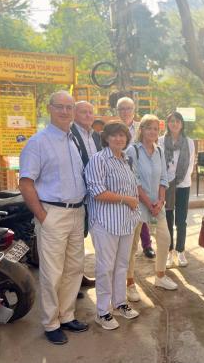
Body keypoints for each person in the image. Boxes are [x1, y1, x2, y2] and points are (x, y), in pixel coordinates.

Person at [19, 91, 88, 345]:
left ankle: (67, 314)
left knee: (74, 268)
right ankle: (50, 323)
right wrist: (43, 216)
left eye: (69, 107)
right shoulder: (38, 142)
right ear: (49, 108)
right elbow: (25, 183)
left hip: (76, 212)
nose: (65, 111)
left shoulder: (74, 140)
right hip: (53, 214)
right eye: (60, 107)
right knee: (52, 272)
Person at [85, 122, 141, 330]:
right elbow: (98, 192)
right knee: (105, 267)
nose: (119, 139)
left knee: (122, 266)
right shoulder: (98, 160)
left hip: (126, 222)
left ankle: (120, 303)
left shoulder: (125, 159)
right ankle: (102, 311)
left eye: (123, 135)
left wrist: (133, 209)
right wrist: (126, 200)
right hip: (106, 222)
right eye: (114, 135)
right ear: (106, 138)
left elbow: (132, 188)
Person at [126, 114, 178, 294]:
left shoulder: (160, 151)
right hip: (138, 205)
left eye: (156, 129)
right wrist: (148, 203)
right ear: (142, 130)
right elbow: (134, 180)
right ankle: (129, 283)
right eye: (149, 128)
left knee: (165, 239)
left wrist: (161, 200)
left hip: (157, 205)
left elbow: (164, 177)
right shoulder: (133, 151)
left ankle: (160, 276)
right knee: (131, 246)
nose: (152, 132)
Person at [116, 96, 156, 260]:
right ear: (117, 111)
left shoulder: (141, 128)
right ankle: (122, 246)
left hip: (140, 176)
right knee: (123, 212)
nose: (126, 112)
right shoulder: (112, 129)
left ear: (134, 110)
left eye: (129, 108)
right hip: (119, 177)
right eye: (122, 109)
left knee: (142, 211)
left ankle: (147, 245)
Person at [71, 101, 102, 290]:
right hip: (77, 195)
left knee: (87, 236)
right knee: (76, 240)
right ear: (75, 113)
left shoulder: (96, 136)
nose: (88, 115)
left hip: (96, 195)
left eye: (91, 112)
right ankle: (74, 283)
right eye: (83, 112)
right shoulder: (69, 134)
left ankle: (79, 278)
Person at [158, 111, 195, 268]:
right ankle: (169, 250)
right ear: (167, 123)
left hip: (182, 184)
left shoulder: (189, 142)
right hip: (165, 185)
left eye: (178, 121)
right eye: (172, 121)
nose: (175, 124)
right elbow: (159, 164)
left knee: (181, 220)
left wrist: (178, 180)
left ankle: (180, 250)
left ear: (182, 124)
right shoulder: (160, 141)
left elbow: (190, 164)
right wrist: (166, 181)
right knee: (167, 219)